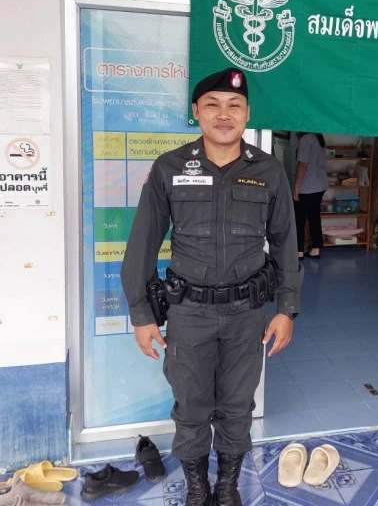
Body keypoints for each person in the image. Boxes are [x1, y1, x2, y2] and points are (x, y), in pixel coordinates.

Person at [121, 67, 300, 506]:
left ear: (247, 113)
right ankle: (198, 487)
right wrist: (141, 314)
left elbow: (285, 243)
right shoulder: (169, 168)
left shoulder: (269, 171)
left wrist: (286, 308)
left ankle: (228, 485)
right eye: (213, 105)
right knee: (191, 405)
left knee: (238, 404)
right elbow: (142, 244)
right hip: (189, 313)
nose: (224, 114)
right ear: (196, 112)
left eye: (234, 105)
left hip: (246, 313)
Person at [293, 132, 329, 260]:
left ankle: (299, 252)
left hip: (307, 186)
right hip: (320, 184)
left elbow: (303, 164)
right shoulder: (319, 138)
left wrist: (296, 185)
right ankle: (315, 249)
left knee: (299, 220)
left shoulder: (306, 139)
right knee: (314, 218)